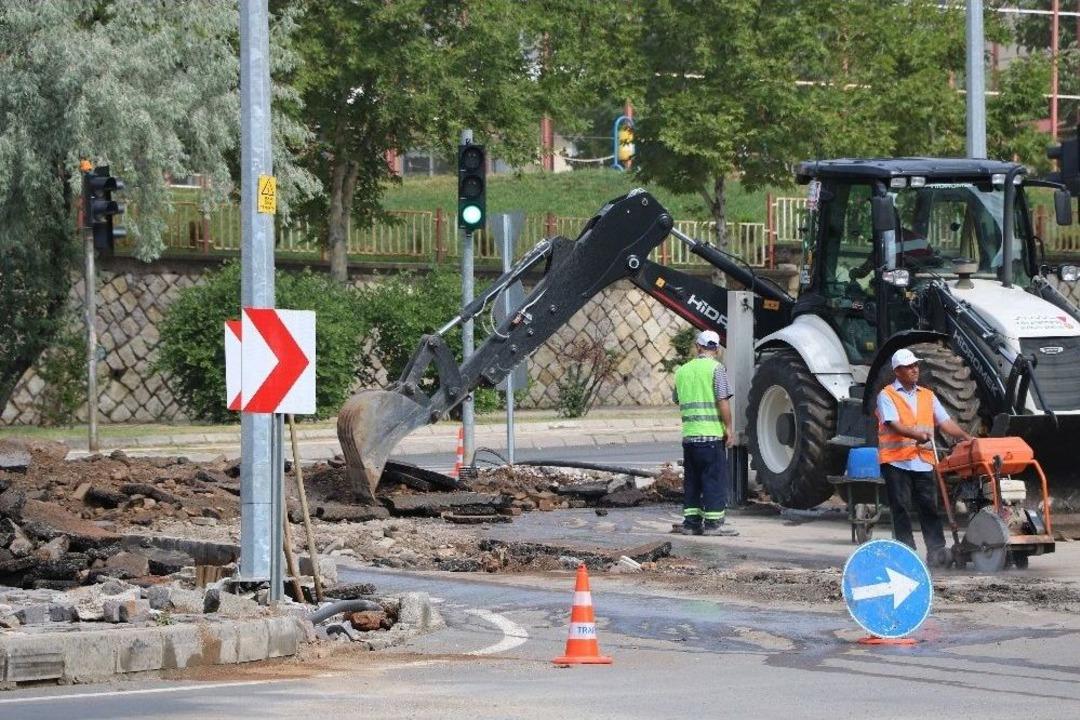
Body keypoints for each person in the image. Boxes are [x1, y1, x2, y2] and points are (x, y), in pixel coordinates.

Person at [876, 348, 973, 565]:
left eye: (915, 366)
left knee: (929, 507)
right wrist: (917, 435)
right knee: (900, 507)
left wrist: (967, 437)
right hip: (896, 461)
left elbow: (945, 423)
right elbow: (893, 424)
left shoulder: (927, 396)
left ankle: (936, 551)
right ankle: (906, 552)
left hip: (922, 461)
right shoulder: (887, 395)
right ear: (897, 371)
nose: (914, 370)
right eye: (909, 367)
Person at [673, 329, 738, 537]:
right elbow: (723, 401)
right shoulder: (716, 369)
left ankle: (691, 523)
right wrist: (729, 428)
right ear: (716, 349)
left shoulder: (682, 371)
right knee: (713, 479)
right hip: (711, 437)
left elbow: (677, 399)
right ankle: (713, 524)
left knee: (692, 481)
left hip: (690, 437)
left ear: (698, 346)